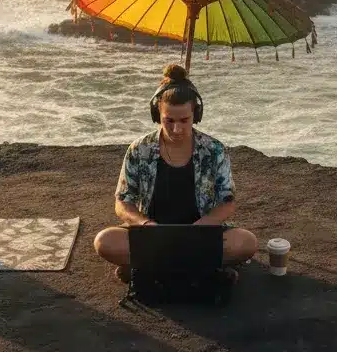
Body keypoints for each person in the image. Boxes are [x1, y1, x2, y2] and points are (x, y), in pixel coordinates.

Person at [93, 64, 259, 281]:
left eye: (184, 121)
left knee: (246, 242)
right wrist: (145, 224)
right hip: (152, 236)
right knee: (104, 241)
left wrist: (201, 228)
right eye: (168, 121)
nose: (177, 129)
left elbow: (227, 202)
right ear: (157, 114)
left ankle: (150, 266)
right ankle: (201, 268)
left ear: (196, 115)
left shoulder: (214, 150)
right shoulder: (139, 150)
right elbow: (122, 203)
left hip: (201, 234)